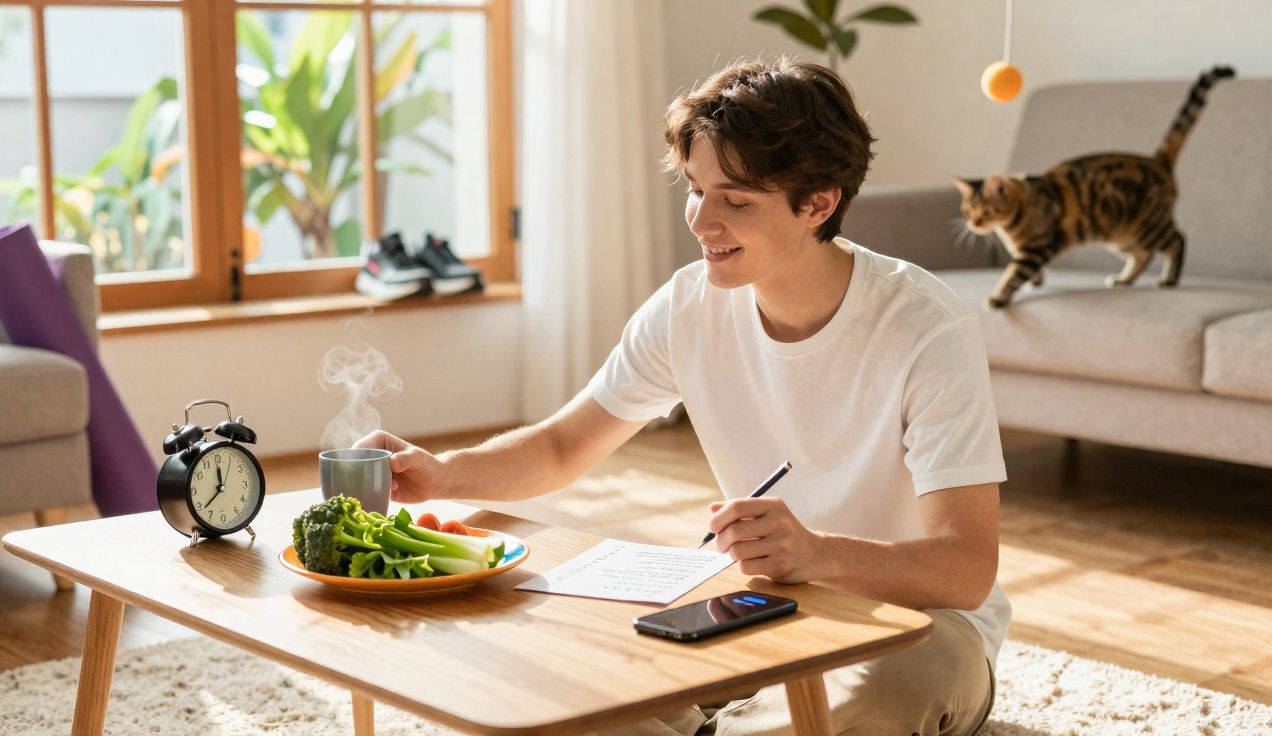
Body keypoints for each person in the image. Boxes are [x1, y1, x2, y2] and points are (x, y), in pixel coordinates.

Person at [357, 56, 1008, 736]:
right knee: (555, 697)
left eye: (736, 200)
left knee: (869, 703)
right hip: (752, 602)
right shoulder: (688, 306)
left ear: (819, 203)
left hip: (919, 624)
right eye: (696, 189)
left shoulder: (927, 329)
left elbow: (964, 568)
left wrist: (815, 553)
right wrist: (443, 474)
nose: (701, 221)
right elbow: (560, 445)